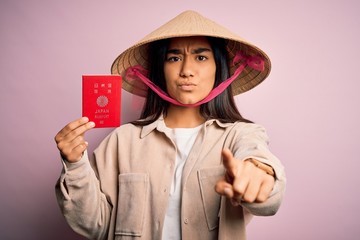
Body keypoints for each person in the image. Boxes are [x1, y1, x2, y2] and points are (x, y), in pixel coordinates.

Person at [55, 10, 286, 240]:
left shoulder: (241, 135)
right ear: (160, 70)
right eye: (174, 58)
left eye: (201, 57)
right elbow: (93, 224)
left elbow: (263, 178)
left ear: (219, 68)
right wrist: (75, 165)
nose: (186, 71)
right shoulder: (122, 140)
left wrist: (259, 177)